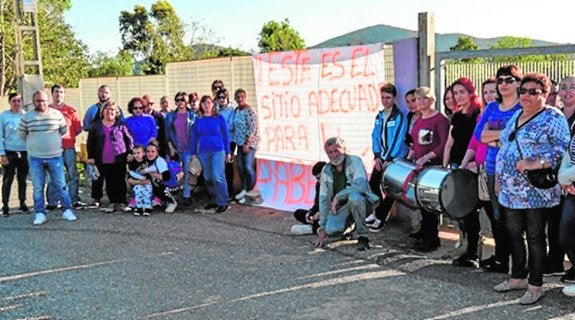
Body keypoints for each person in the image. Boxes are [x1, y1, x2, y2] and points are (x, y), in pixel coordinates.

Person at [494, 72, 569, 305]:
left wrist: (536, 163)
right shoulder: (516, 115)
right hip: (509, 190)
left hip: (536, 191)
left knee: (536, 236)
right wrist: (498, 178)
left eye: (533, 92)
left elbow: (562, 148)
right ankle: (517, 276)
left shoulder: (552, 116)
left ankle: (535, 285)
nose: (526, 95)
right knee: (514, 233)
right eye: (523, 91)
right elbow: (504, 145)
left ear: (545, 94)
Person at [474, 64, 523, 273]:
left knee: (515, 219)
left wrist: (493, 136)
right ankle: (501, 259)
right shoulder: (492, 107)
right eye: (500, 80)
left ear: (518, 82)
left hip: (516, 171)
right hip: (493, 168)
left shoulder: (523, 107)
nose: (503, 84)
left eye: (509, 80)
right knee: (497, 216)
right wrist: (503, 137)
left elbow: (519, 137)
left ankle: (520, 264)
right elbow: (479, 136)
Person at [18, 91, 77, 225]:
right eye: (38, 100)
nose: (41, 103)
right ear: (33, 102)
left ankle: (67, 210)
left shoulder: (57, 115)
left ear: (47, 100)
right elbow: (22, 136)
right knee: (38, 187)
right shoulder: (27, 117)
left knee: (61, 185)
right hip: (35, 158)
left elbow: (64, 131)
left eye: (44, 100)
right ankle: (40, 213)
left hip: (55, 157)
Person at [442, 78, 481, 266]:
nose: (458, 96)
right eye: (456, 93)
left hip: (473, 169)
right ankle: (468, 249)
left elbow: (478, 143)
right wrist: (445, 167)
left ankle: (474, 253)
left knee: (472, 211)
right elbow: (450, 143)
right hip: (457, 167)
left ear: (471, 92)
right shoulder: (456, 116)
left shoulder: (478, 114)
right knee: (463, 212)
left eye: (462, 92)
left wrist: (472, 163)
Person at [406, 86, 450, 252]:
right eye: (418, 98)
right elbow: (415, 143)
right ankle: (424, 234)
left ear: (432, 100)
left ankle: (432, 240)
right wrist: (410, 157)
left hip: (433, 168)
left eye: (424, 98)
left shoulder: (440, 120)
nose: (421, 101)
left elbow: (443, 144)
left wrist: (427, 157)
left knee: (430, 206)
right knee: (422, 205)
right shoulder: (418, 120)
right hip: (420, 167)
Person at [315, 137, 379, 251]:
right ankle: (350, 227)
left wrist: (338, 197)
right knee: (331, 230)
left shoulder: (355, 161)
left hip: (362, 203)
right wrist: (322, 226)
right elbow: (323, 199)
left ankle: (362, 236)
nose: (334, 155)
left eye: (336, 150)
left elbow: (360, 186)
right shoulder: (326, 170)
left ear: (344, 150)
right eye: (330, 152)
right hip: (341, 208)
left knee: (355, 198)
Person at [365, 83, 408, 232]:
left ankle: (381, 217)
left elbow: (399, 137)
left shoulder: (399, 116)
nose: (385, 100)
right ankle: (378, 212)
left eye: (388, 97)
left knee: (392, 189)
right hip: (381, 158)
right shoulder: (379, 116)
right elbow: (375, 136)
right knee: (373, 184)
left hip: (394, 159)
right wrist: (377, 156)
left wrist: (389, 158)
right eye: (383, 97)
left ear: (394, 98)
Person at [86, 101, 133, 213]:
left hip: (119, 157)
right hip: (102, 159)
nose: (110, 112)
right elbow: (90, 143)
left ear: (116, 112)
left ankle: (122, 202)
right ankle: (112, 202)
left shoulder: (121, 124)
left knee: (120, 181)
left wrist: (130, 153)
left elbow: (129, 139)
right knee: (109, 182)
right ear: (103, 112)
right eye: (107, 109)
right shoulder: (95, 126)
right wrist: (91, 157)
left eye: (112, 110)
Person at [82, 85, 125, 207]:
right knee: (98, 177)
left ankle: (118, 199)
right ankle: (96, 197)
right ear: (98, 93)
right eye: (101, 92)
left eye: (106, 92)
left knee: (115, 177)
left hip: (116, 151)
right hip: (98, 147)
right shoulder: (91, 110)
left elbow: (123, 127)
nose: (103, 94)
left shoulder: (118, 109)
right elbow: (86, 126)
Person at [46, 85, 85, 210]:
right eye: (56, 92)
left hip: (68, 147)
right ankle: (52, 202)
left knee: (72, 174)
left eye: (61, 92)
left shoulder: (71, 111)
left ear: (64, 94)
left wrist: (69, 136)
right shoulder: (46, 110)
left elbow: (78, 129)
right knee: (53, 175)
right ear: (52, 94)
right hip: (52, 148)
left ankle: (74, 200)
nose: (59, 94)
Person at [190, 95, 231, 213]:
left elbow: (226, 135)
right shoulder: (198, 120)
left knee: (218, 176)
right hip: (203, 151)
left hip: (218, 150)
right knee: (208, 177)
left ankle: (223, 201)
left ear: (213, 104)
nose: (206, 105)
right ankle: (214, 199)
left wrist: (228, 152)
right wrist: (193, 153)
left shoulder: (219, 118)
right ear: (201, 106)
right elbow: (194, 137)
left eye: (208, 102)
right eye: (204, 103)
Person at [0, 93, 29, 216]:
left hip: (24, 152)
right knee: (8, 179)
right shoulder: (4, 116)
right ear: (9, 102)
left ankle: (22, 202)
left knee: (22, 179)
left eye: (19, 101)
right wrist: (2, 154)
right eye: (14, 101)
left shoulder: (26, 115)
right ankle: (5, 205)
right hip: (9, 152)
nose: (16, 103)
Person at [166, 92, 196, 206]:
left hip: (188, 148)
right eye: (177, 100)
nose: (180, 102)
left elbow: (196, 132)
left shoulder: (193, 115)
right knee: (175, 172)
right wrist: (171, 148)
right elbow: (167, 133)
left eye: (182, 100)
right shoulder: (170, 116)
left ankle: (186, 195)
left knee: (187, 172)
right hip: (175, 147)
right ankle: (173, 194)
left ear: (186, 101)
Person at [232, 89, 260, 202]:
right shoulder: (237, 110)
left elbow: (253, 128)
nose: (240, 99)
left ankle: (251, 189)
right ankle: (244, 188)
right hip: (239, 141)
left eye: (242, 97)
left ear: (245, 97)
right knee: (240, 166)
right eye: (237, 97)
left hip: (249, 142)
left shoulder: (250, 111)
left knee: (248, 167)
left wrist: (247, 143)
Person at [291, 161, 327, 235]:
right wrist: (311, 213)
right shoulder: (319, 185)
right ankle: (315, 226)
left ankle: (313, 229)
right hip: (320, 214)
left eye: (320, 178)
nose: (319, 181)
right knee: (298, 213)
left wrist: (322, 213)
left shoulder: (335, 184)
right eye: (317, 178)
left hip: (330, 214)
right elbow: (317, 203)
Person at [143, 141, 178, 213]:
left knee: (161, 190)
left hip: (171, 186)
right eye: (148, 151)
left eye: (153, 151)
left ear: (157, 152)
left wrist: (149, 172)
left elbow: (166, 177)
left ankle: (172, 201)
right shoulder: (147, 161)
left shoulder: (159, 161)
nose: (150, 153)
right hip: (161, 184)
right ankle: (162, 201)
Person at [215, 88, 237, 197]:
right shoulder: (216, 110)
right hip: (218, 141)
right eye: (219, 98)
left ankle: (230, 191)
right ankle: (221, 191)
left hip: (229, 141)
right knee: (219, 166)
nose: (221, 99)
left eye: (223, 97)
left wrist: (220, 128)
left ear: (227, 97)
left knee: (228, 165)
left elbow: (232, 125)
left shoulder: (232, 109)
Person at [127, 144, 153, 216]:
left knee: (147, 194)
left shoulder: (146, 162)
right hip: (138, 182)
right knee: (138, 194)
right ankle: (139, 208)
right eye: (134, 153)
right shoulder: (132, 163)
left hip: (147, 182)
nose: (136, 155)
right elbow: (131, 173)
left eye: (138, 153)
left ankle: (148, 208)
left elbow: (151, 171)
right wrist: (140, 178)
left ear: (143, 153)